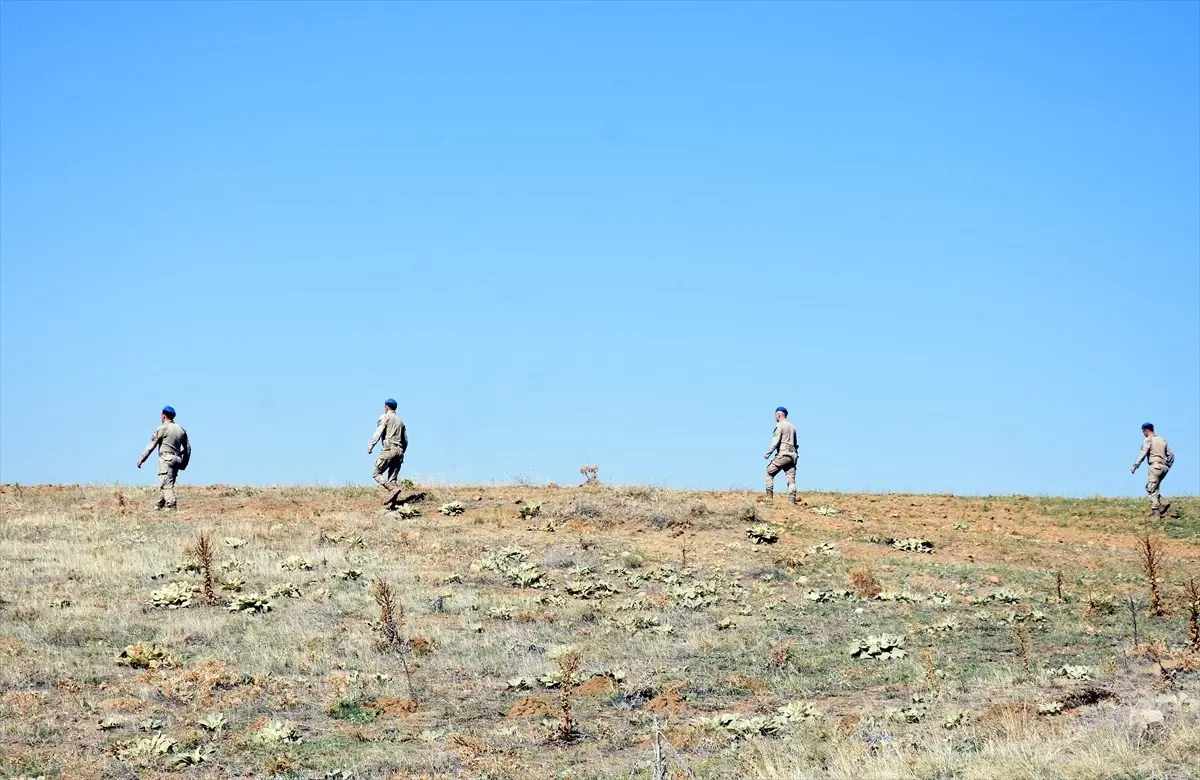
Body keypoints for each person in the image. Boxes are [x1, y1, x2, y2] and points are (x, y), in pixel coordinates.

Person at [136, 405, 191, 510]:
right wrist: (184, 462)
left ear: (164, 416)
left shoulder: (162, 428)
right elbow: (188, 448)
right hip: (177, 459)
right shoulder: (181, 430)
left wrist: (141, 459)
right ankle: (159, 505)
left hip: (166, 459)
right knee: (167, 483)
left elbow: (151, 445)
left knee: (166, 485)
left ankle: (171, 506)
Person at [368, 398, 408, 505]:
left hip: (388, 449)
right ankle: (392, 505)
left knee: (376, 473)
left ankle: (392, 489)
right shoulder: (401, 422)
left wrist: (371, 445)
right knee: (392, 479)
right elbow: (406, 441)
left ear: (386, 407)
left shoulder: (385, 417)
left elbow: (379, 431)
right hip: (399, 451)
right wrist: (401, 451)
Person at [1131, 422, 1174, 519]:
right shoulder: (1162, 439)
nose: (1143, 434)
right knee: (1153, 487)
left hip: (1154, 466)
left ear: (1146, 430)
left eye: (1143, 432)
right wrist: (1167, 466)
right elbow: (1171, 455)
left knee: (1151, 489)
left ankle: (1156, 514)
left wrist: (1135, 465)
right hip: (1163, 467)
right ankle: (1163, 504)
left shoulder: (1148, 440)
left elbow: (1143, 454)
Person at [764, 406, 798, 504]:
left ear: (778, 415)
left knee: (769, 472)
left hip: (783, 454)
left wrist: (767, 453)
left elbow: (775, 442)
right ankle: (792, 501)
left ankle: (769, 499)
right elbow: (796, 444)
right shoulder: (793, 427)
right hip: (792, 456)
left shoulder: (780, 426)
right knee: (791, 479)